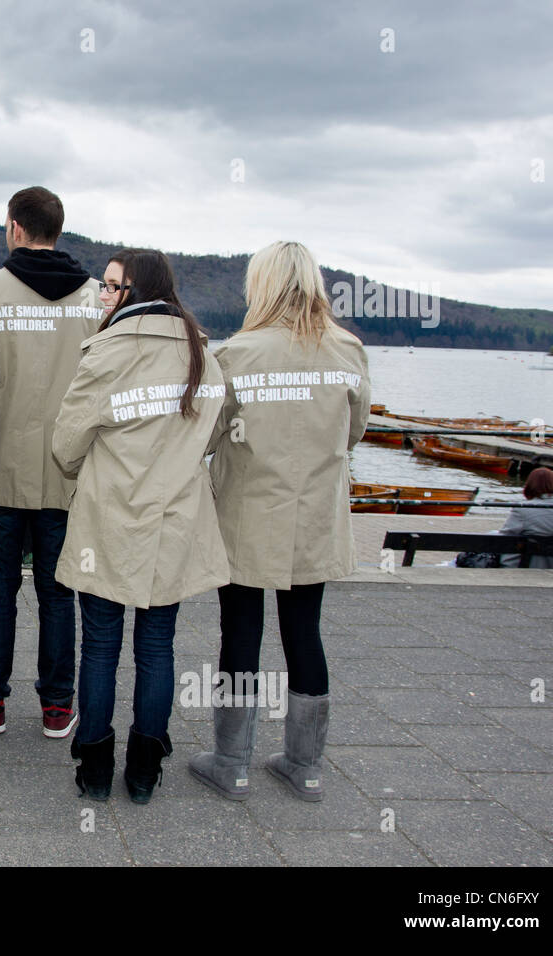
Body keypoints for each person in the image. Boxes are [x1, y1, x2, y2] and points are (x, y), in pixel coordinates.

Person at [192, 240, 371, 803]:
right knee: (304, 633)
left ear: (261, 287)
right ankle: (305, 765)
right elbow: (354, 430)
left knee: (240, 634)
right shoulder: (347, 349)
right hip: (313, 513)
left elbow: (211, 435)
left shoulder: (239, 353)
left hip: (249, 512)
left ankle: (231, 762)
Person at [53, 250, 229, 802]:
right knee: (157, 645)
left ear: (136, 291)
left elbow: (65, 445)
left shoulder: (108, 351)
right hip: (174, 517)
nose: (101, 296)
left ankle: (96, 768)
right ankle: (145, 768)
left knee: (101, 645)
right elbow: (217, 429)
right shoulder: (203, 353)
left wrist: (101, 467)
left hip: (111, 515)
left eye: (110, 287)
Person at [0, 186, 104, 739]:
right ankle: (57, 705)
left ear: (14, 228)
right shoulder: (95, 299)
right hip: (67, 470)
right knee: (57, 591)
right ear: (57, 229)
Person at [497, 468, 553, 567]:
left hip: (523, 562)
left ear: (530, 485)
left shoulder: (522, 509)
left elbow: (504, 537)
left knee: (492, 535)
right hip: (552, 563)